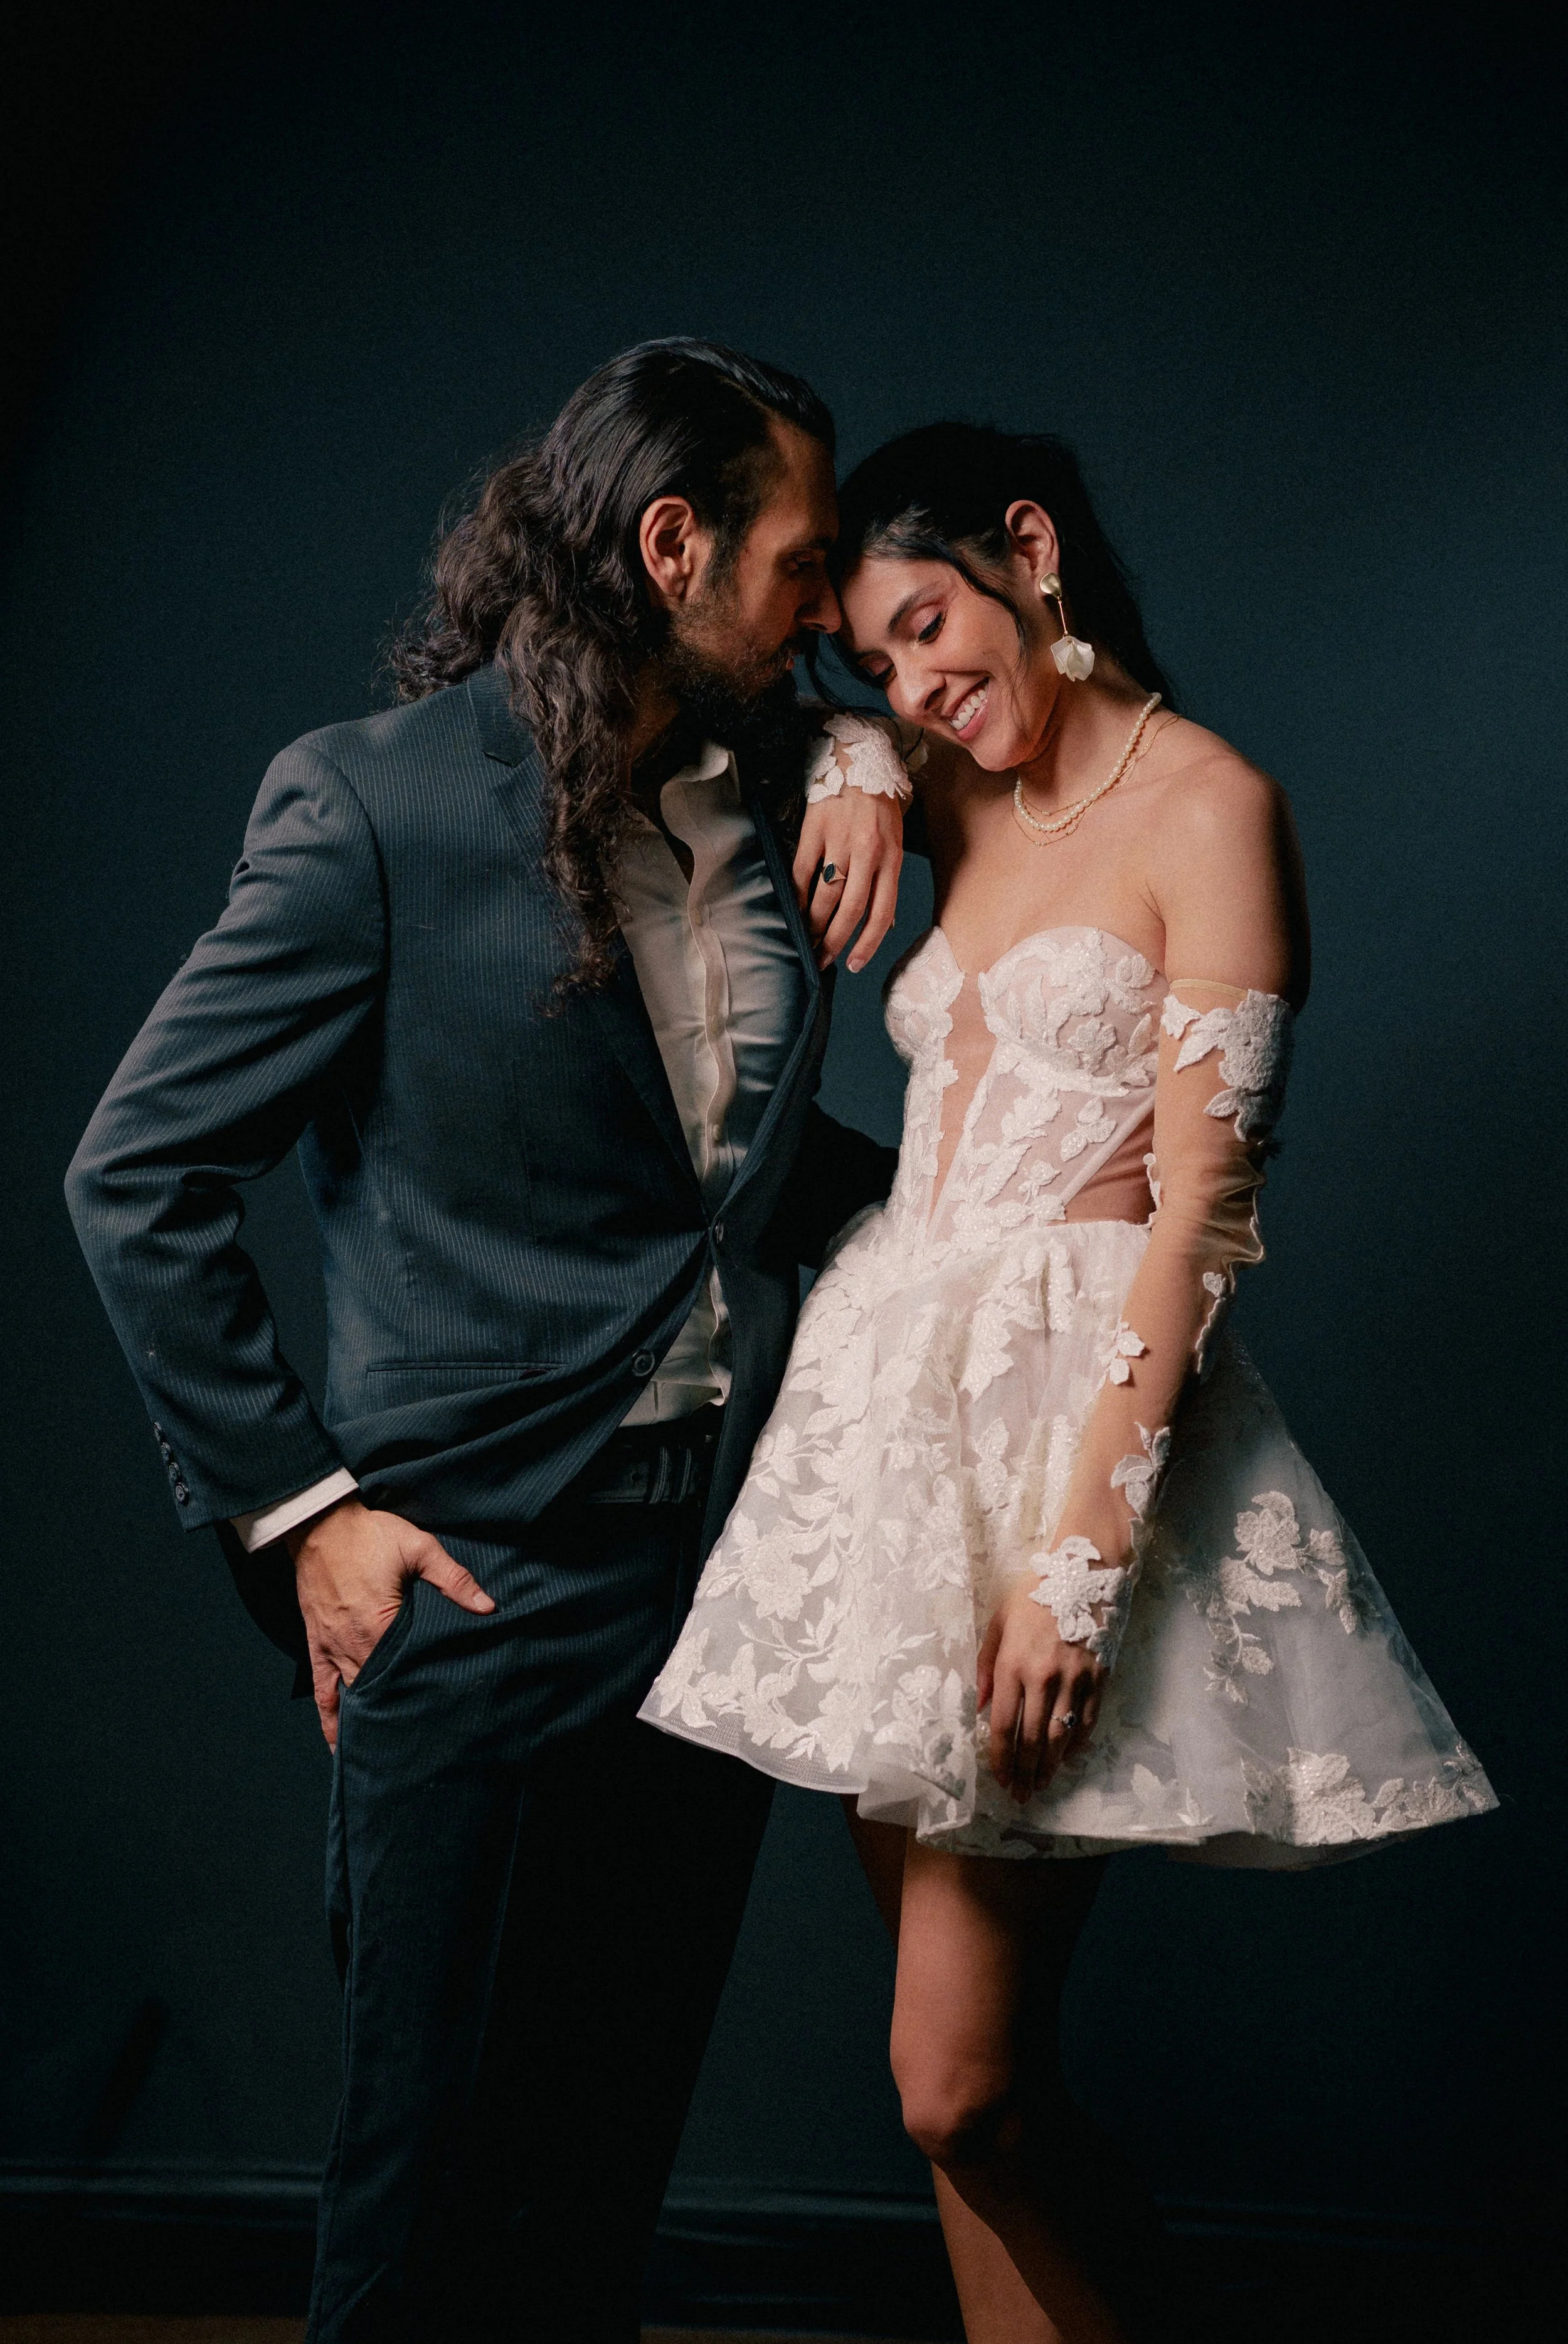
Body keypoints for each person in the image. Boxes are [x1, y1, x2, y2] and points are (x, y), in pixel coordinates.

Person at [63, 339, 914, 2343]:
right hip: (473, 1586)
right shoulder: (373, 806)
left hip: (713, 1582)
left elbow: (721, 1175)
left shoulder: (766, 783)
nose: (834, 608)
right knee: (425, 2187)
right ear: (672, 544)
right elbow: (137, 1172)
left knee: (594, 2175)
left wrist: (865, 749)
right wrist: (302, 1512)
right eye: (803, 565)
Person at [643, 422, 1497, 2344]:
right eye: (876, 659)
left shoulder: (1211, 808)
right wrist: (857, 750)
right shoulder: (945, 775)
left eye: (927, 628)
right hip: (889, 1428)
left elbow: (1201, 1215)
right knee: (968, 2108)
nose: (913, 684)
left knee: (958, 2086)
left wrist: (1080, 1563)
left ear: (1028, 550)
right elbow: (725, 713)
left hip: (1065, 1442)